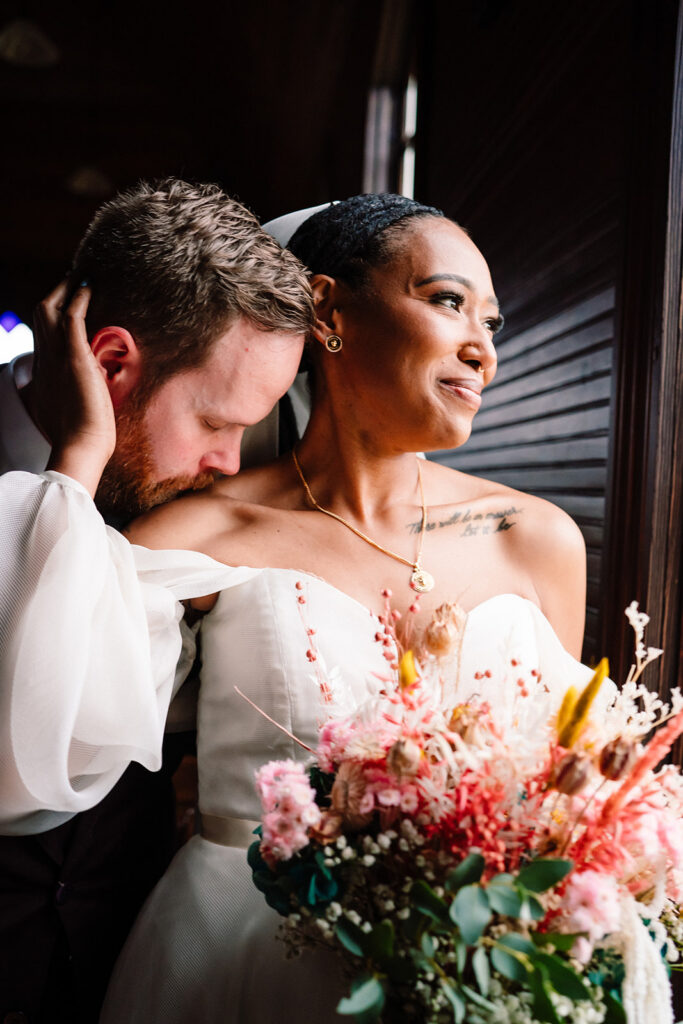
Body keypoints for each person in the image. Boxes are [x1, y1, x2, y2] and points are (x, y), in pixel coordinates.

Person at [76, 192, 588, 1022]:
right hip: (241, 962)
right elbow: (74, 739)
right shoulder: (199, 534)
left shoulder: (537, 541)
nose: (481, 350)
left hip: (482, 965)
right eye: (448, 301)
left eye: (491, 324)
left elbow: (561, 792)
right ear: (326, 309)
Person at [0, 178, 313, 1022]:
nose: (227, 463)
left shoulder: (206, 530)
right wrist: (80, 456)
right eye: (215, 422)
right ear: (108, 364)